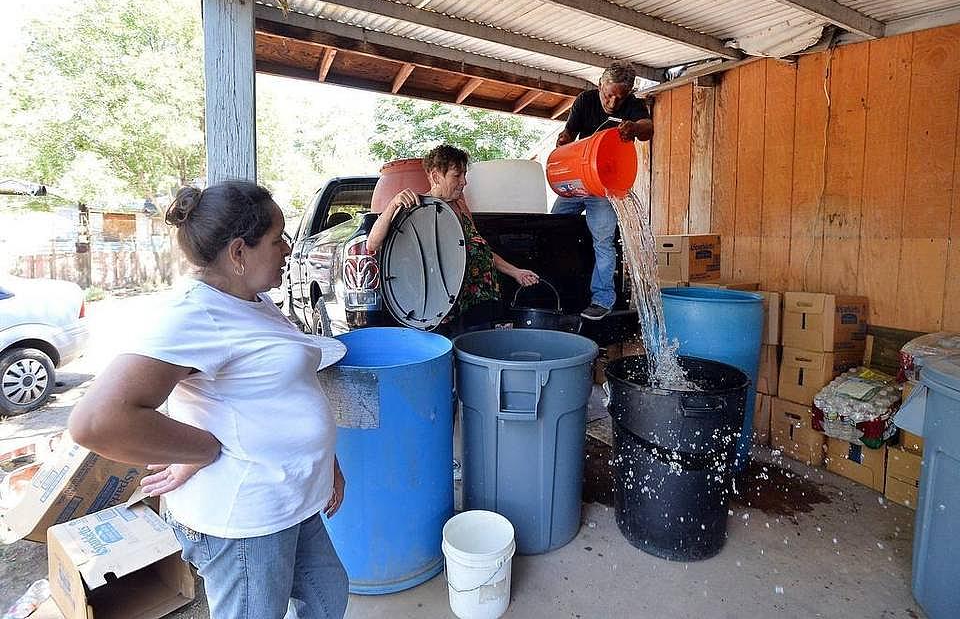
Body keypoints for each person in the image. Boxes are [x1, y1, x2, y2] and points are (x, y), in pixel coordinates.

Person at [67, 181, 349, 619]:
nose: (288, 248)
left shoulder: (251, 300)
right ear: (239, 253)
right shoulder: (195, 315)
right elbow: (97, 421)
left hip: (290, 496)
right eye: (277, 240)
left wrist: (326, 460)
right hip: (247, 519)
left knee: (327, 594)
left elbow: (280, 392)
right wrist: (201, 449)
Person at [367, 144, 540, 336]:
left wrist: (515, 272)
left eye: (464, 174)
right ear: (435, 176)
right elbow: (372, 244)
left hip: (479, 302)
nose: (464, 182)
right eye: (457, 175)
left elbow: (478, 247)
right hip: (444, 309)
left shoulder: (460, 206)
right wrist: (392, 205)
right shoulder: (415, 208)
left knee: (478, 356)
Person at [552, 61, 654, 321]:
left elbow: (647, 128)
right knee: (553, 228)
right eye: (608, 94)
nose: (612, 102)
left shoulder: (631, 104)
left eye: (619, 97)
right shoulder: (585, 100)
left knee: (604, 242)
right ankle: (555, 289)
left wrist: (633, 128)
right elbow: (569, 132)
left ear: (628, 93)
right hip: (576, 180)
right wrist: (563, 140)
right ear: (600, 86)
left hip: (605, 186)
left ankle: (602, 299)